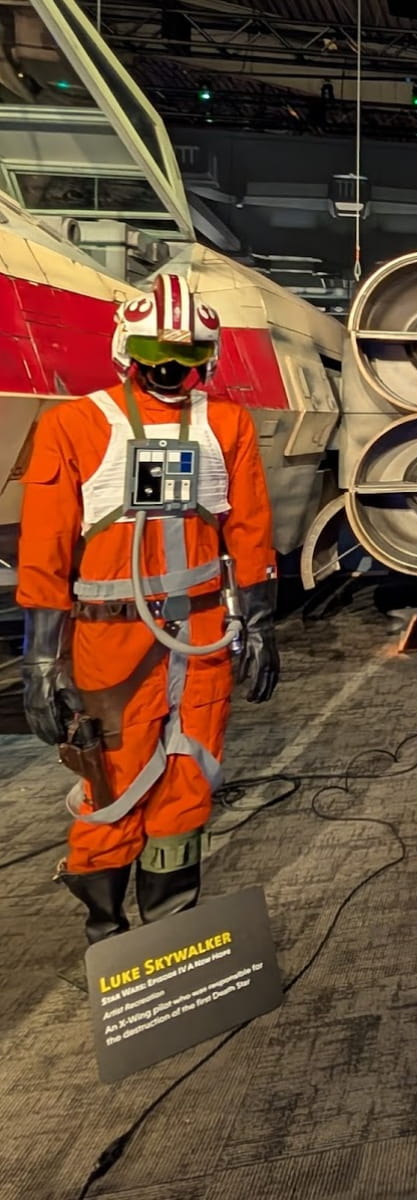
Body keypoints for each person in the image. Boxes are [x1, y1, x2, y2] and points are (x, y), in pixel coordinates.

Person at [17, 273, 279, 943]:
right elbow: (45, 547)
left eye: (186, 355)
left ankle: (171, 930)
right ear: (124, 350)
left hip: (202, 634)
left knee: (191, 774)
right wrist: (41, 657)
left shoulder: (227, 424)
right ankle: (108, 936)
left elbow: (250, 527)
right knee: (111, 780)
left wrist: (258, 620)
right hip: (110, 640)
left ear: (208, 358)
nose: (169, 368)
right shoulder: (73, 425)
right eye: (154, 352)